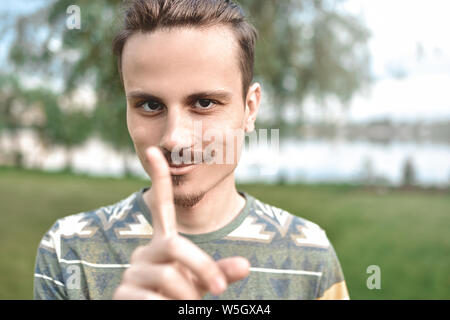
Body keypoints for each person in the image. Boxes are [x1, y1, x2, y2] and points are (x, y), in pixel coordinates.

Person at [33, 0, 350, 300]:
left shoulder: (311, 256)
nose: (174, 140)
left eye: (204, 103)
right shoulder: (68, 251)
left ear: (250, 109)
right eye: (150, 105)